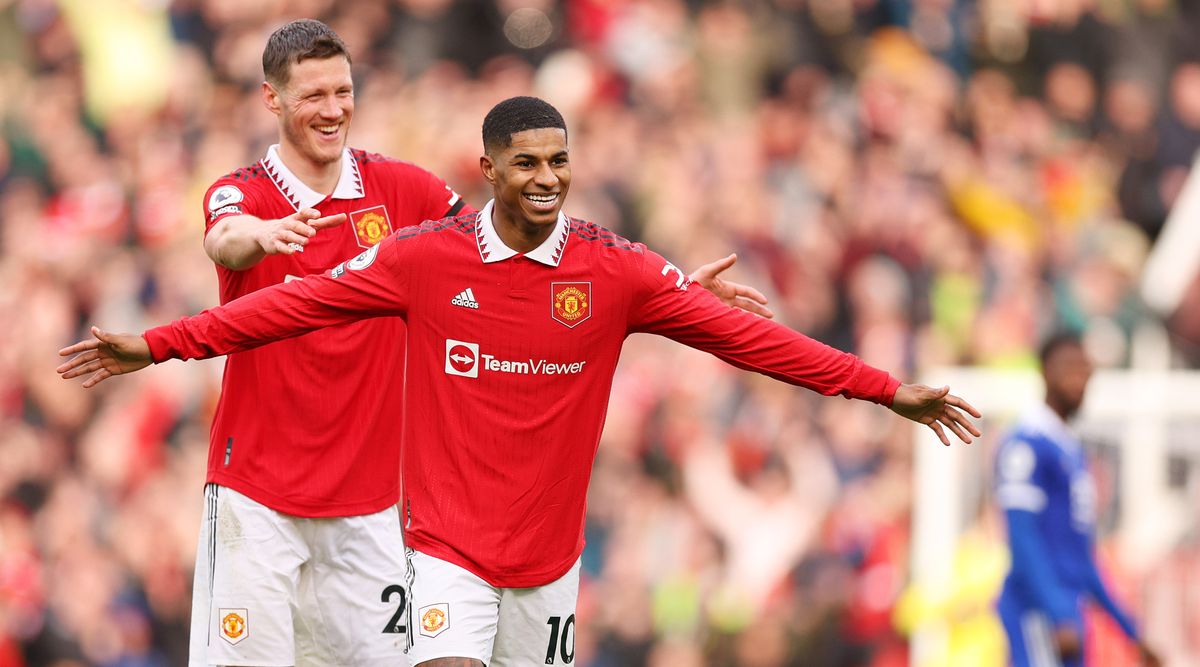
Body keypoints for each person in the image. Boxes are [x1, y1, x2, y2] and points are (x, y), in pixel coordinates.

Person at [59, 96, 981, 667]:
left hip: (548, 558)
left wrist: (886, 388)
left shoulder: (615, 269)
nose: (548, 178)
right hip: (444, 546)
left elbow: (756, 345)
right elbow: (287, 309)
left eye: (560, 161)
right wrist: (161, 341)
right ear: (490, 168)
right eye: (528, 162)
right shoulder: (423, 259)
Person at [177, 20, 771, 667]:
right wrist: (260, 236)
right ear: (273, 99)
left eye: (342, 91)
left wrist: (671, 284)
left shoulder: (401, 190)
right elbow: (223, 236)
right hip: (256, 495)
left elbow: (521, 242)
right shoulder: (242, 193)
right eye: (312, 94)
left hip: (371, 506)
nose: (332, 109)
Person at [994, 332, 1160, 667]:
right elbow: (1023, 537)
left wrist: (1131, 632)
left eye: (1085, 370)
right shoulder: (1027, 443)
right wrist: (1056, 613)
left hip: (1070, 612)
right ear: (1045, 372)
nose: (1079, 379)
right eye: (1069, 368)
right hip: (1038, 613)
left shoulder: (1069, 447)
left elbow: (1081, 560)